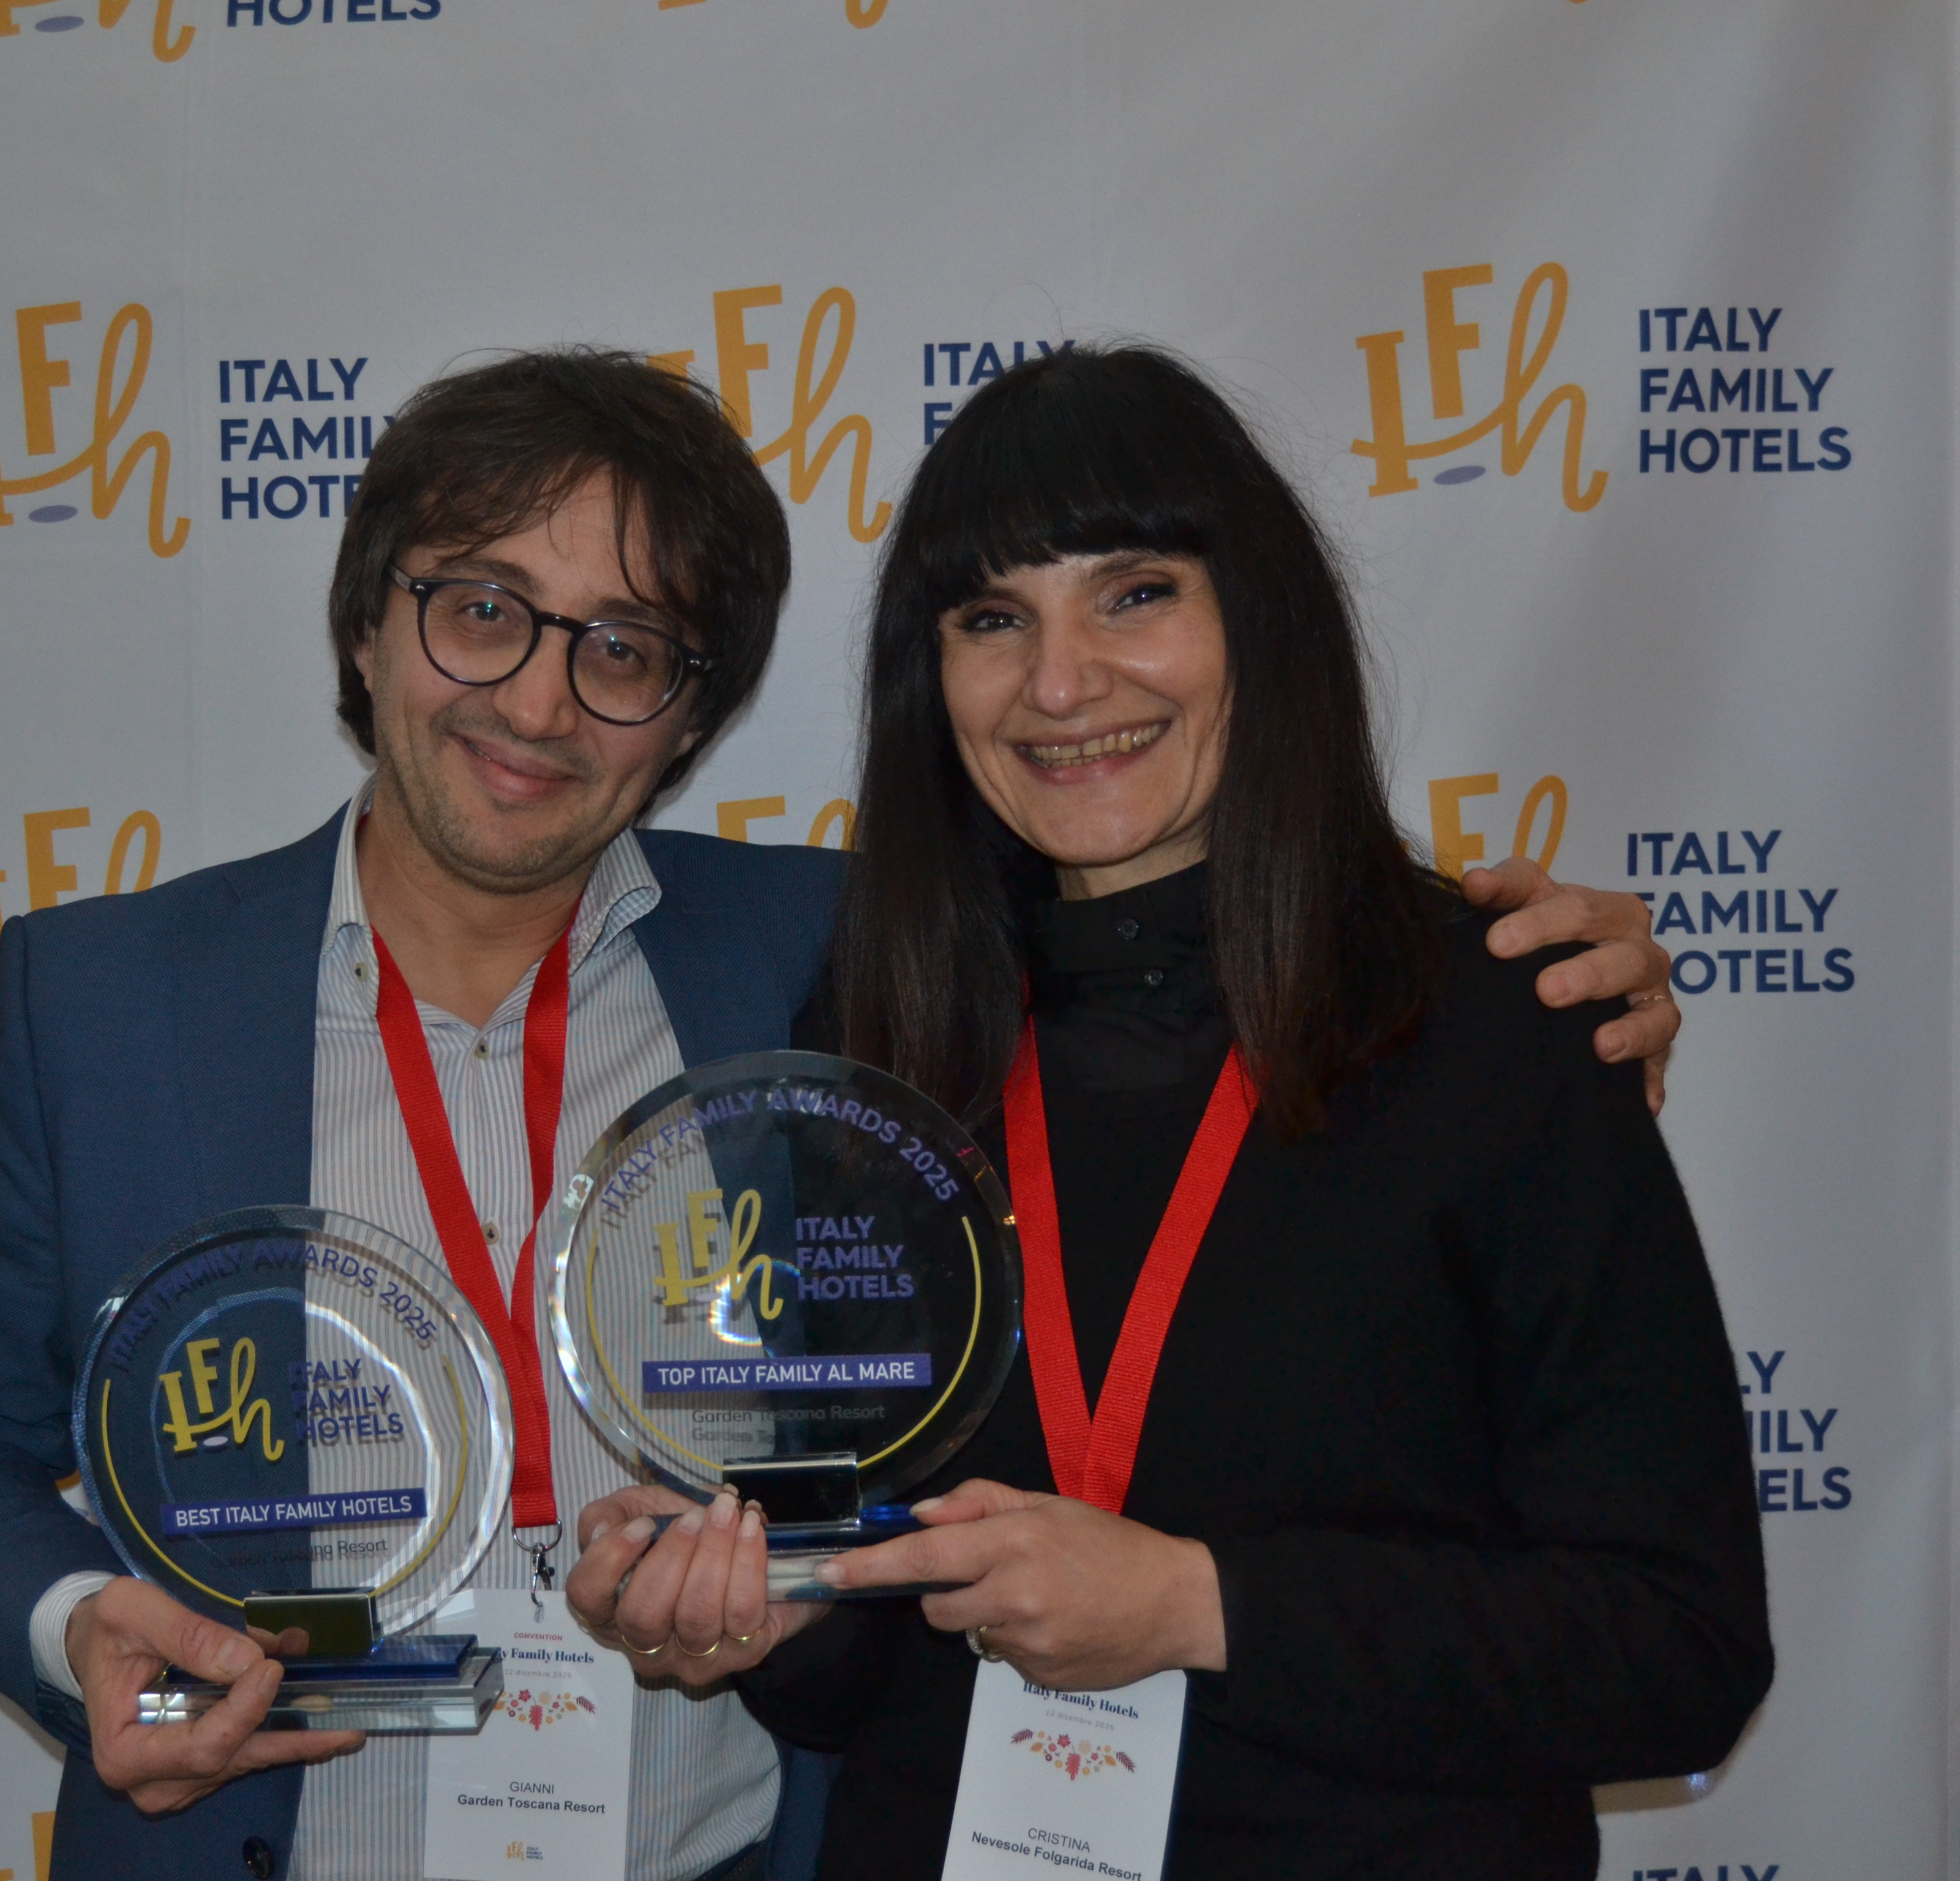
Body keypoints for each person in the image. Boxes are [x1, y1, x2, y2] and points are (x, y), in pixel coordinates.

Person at [0, 347, 1685, 1880]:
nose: (537, 702)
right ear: (366, 624)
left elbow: (1182, 924)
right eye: (481, 611)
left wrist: (1520, 980)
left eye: (625, 647)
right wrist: (75, 1628)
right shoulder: (106, 1005)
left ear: (693, 716)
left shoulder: (848, 967)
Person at [563, 344, 1768, 1881]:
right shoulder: (880, 1045)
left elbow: (1679, 1648)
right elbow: (875, 1663)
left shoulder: (1499, 1024)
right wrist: (769, 1619)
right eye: (992, 619)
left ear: (1258, 619)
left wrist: (1202, 1607)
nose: (1062, 683)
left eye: (1134, 594)